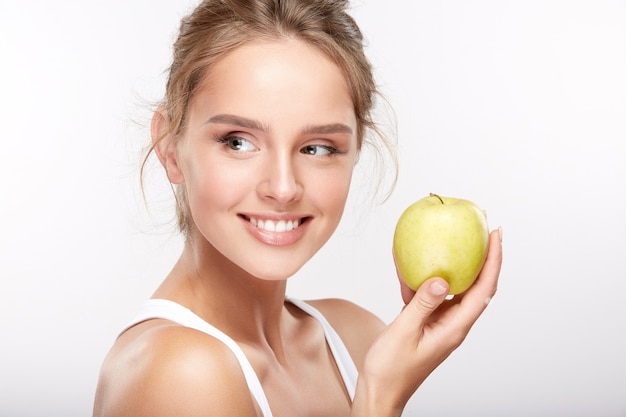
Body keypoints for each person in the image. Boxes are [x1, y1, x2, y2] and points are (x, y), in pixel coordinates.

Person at [93, 0, 502, 416]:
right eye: (238, 141)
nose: (284, 188)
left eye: (318, 148)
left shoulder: (355, 336)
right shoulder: (179, 371)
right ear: (170, 148)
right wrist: (379, 400)